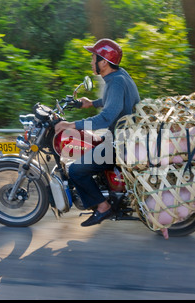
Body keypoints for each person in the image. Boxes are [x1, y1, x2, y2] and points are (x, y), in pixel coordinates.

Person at [54, 38, 140, 227]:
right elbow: (115, 102)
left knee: (75, 169)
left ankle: (103, 207)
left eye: (94, 57)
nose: (91, 61)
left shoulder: (116, 82)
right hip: (121, 137)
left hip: (121, 143)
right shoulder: (118, 76)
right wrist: (92, 103)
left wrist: (71, 125)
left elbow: (106, 118)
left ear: (104, 62)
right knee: (89, 145)